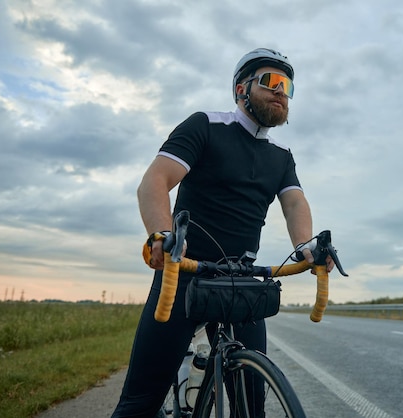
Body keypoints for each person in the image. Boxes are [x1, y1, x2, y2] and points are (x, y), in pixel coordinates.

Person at [111, 48, 334, 417]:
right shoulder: (205, 126)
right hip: (183, 273)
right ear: (241, 89)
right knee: (138, 404)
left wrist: (307, 246)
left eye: (287, 86)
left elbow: (294, 203)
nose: (281, 91)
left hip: (241, 280)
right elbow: (155, 181)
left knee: (252, 407)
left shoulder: (281, 156)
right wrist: (160, 235)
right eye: (271, 82)